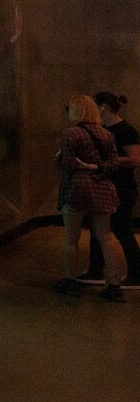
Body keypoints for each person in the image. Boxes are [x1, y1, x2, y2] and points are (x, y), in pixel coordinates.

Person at [52, 94, 127, 302]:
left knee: (71, 239)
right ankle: (114, 286)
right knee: (106, 237)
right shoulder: (106, 135)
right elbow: (113, 164)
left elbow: (67, 164)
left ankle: (71, 282)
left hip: (77, 189)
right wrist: (96, 166)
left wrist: (61, 159)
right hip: (103, 189)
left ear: (77, 111)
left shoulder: (70, 134)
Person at [76, 92, 140, 286]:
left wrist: (106, 162)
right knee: (98, 228)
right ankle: (95, 270)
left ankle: (137, 273)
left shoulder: (126, 130)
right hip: (106, 187)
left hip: (123, 188)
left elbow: (135, 159)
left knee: (122, 230)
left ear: (102, 107)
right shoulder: (103, 130)